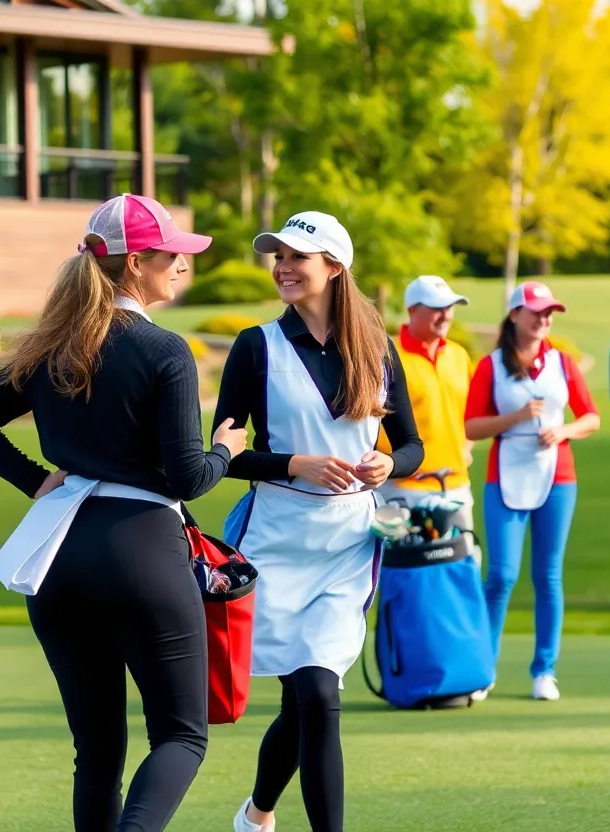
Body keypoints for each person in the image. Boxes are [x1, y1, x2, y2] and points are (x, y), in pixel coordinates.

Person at [0, 193, 247, 832]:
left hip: (58, 555)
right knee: (180, 736)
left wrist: (35, 480)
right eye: (171, 254)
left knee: (98, 753)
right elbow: (188, 479)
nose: (181, 265)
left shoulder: (52, 344)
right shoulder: (165, 351)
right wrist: (226, 448)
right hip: (140, 548)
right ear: (136, 263)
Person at [215, 211, 424, 832]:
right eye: (276, 256)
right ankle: (258, 812)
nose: (282, 266)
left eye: (296, 257)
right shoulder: (256, 346)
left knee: (319, 697)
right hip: (275, 540)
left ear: (334, 266)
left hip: (347, 545)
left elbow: (412, 446)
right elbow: (220, 453)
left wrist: (389, 463)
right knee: (300, 699)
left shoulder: (379, 348)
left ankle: (259, 815)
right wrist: (294, 463)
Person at [464, 281, 600, 702]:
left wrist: (564, 431)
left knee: (548, 575)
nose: (545, 319)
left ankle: (545, 669)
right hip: (505, 474)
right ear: (515, 315)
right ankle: (483, 668)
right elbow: (471, 426)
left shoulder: (561, 362)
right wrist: (517, 416)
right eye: (537, 311)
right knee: (501, 575)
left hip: (558, 476)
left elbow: (591, 417)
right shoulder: (490, 366)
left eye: (550, 312)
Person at [377, 274, 479, 563]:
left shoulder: (458, 355)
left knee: (462, 570)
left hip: (456, 484)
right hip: (402, 487)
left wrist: (467, 446)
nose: (446, 315)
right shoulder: (387, 355)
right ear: (412, 311)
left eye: (450, 307)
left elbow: (472, 411)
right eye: (437, 307)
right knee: (400, 574)